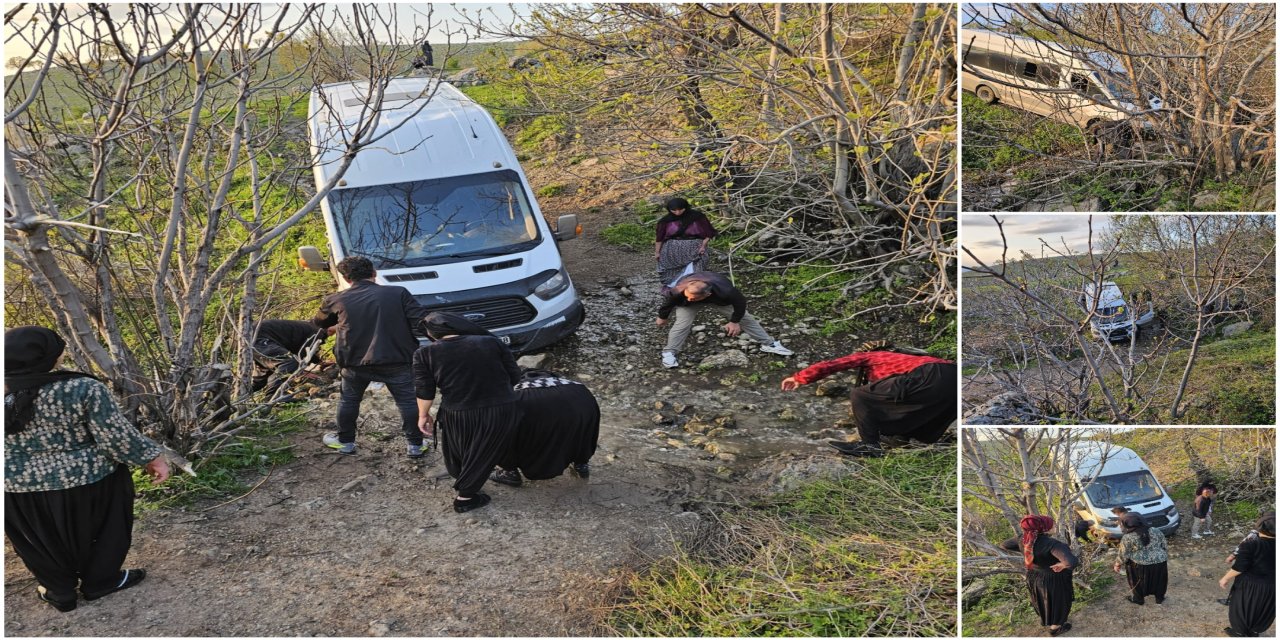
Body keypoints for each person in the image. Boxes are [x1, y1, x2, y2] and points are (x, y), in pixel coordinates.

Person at [4, 326, 171, 612]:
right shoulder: (82, 388)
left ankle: (59, 592)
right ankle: (101, 581)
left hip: (17, 488)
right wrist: (152, 458)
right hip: (89, 481)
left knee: (38, 540)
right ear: (50, 356)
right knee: (106, 526)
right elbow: (115, 437)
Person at [313, 256, 430, 458]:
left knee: (349, 400)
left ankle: (346, 442)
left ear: (347, 278)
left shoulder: (336, 299)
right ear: (374, 273)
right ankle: (415, 445)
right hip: (397, 358)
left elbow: (320, 322)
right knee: (408, 401)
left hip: (354, 361)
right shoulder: (398, 293)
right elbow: (421, 321)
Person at [413, 312, 522, 513]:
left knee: (461, 448)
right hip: (500, 407)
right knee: (486, 448)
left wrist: (423, 415)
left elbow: (424, 390)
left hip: (457, 411)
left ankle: (465, 494)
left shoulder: (424, 354)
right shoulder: (491, 343)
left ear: (433, 334)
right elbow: (515, 377)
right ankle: (469, 492)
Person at [780, 348, 955, 457]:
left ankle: (869, 446)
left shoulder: (875, 356)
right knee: (926, 408)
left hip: (932, 373)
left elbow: (835, 364)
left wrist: (800, 378)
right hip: (955, 378)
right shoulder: (912, 360)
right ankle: (907, 440)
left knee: (860, 395)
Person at [656, 271, 792, 369]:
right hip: (688, 300)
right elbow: (669, 303)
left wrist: (734, 321)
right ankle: (669, 352)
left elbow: (740, 304)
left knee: (746, 318)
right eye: (688, 296)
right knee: (682, 324)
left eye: (694, 298)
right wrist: (663, 317)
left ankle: (769, 344)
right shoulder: (680, 291)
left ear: (707, 295)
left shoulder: (726, 291)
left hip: (719, 300)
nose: (690, 299)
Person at [490, 368, 600, 487]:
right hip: (580, 402)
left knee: (497, 427)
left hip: (532, 408)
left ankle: (509, 471)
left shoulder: (512, 392)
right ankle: (581, 463)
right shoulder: (577, 387)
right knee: (582, 428)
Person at [999, 515, 1077, 636]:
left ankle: (1048, 620)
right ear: (1044, 529)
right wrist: (1062, 565)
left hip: (1035, 576)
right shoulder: (1053, 544)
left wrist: (1025, 549)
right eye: (1052, 524)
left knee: (1044, 599)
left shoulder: (1024, 540)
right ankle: (1055, 628)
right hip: (1053, 578)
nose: (1055, 526)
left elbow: (1004, 545)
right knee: (1058, 601)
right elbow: (1071, 562)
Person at [1219, 512, 1275, 637]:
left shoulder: (1251, 544)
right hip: (1273, 585)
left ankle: (1239, 632)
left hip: (1250, 585)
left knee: (1241, 609)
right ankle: (1255, 632)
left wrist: (1225, 578)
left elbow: (1240, 567)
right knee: (1265, 609)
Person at [251, 319, 330, 394]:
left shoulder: (304, 328)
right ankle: (272, 396)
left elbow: (303, 350)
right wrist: (300, 370)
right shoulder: (318, 333)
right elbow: (303, 352)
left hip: (252, 337)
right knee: (289, 362)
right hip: (257, 337)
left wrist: (318, 363)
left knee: (260, 378)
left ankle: (241, 396)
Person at [654, 197, 718, 288]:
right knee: (667, 268)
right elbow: (659, 238)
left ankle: (692, 284)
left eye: (680, 210)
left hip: (694, 246)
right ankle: (675, 286)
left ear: (686, 207)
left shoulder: (697, 217)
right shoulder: (665, 221)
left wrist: (703, 245)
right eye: (674, 210)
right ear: (669, 210)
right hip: (672, 249)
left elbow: (709, 232)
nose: (677, 213)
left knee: (698, 263)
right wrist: (657, 252)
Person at [1112, 512, 1168, 605]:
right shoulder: (1155, 530)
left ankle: (1138, 599)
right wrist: (1161, 556)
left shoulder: (1128, 537)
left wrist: (1117, 564)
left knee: (1137, 582)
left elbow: (1123, 554)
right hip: (1160, 562)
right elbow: (1164, 545)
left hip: (1139, 565)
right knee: (1159, 581)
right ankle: (1159, 598)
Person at [1220, 528, 1263, 606]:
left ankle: (1232, 600)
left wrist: (1232, 555)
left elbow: (1243, 545)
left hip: (1251, 567)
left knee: (1241, 582)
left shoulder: (1255, 533)